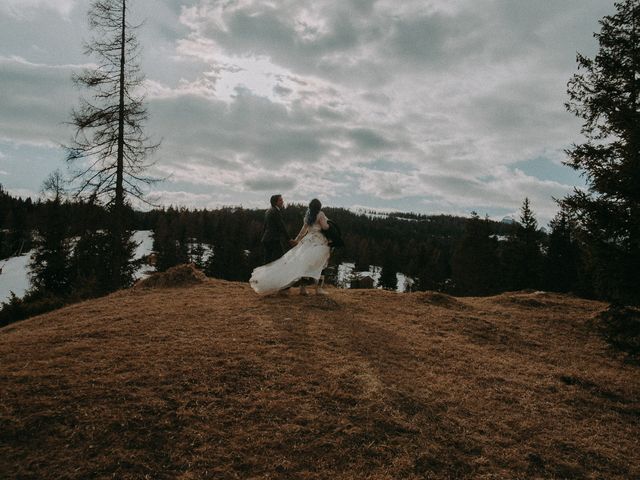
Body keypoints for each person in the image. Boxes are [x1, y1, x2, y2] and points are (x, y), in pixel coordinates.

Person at [250, 198, 331, 296]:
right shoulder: (321, 214)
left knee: (305, 265)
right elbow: (325, 227)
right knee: (321, 263)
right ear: (319, 206)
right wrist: (329, 224)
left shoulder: (307, 215)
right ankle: (318, 289)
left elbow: (303, 230)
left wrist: (297, 240)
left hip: (307, 241)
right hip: (318, 241)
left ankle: (303, 289)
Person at [261, 194, 296, 264]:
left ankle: (266, 275)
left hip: (266, 239)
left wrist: (263, 237)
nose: (282, 201)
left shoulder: (268, 211)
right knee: (281, 260)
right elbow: (281, 226)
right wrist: (289, 239)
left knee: (268, 261)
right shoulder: (276, 212)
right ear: (275, 202)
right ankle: (282, 274)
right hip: (273, 240)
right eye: (280, 200)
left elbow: (264, 227)